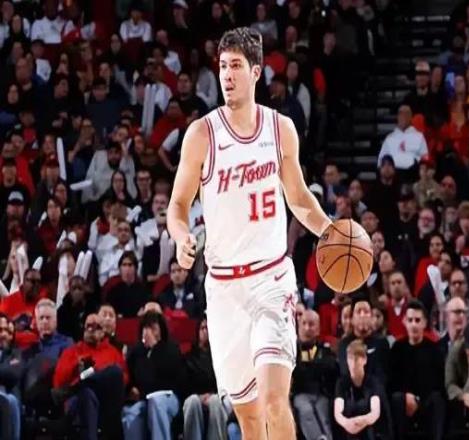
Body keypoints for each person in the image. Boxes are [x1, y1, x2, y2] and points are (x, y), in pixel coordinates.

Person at [167, 26, 334, 439]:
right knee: (249, 417)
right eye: (222, 66)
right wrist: (181, 237)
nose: (226, 75)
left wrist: (329, 231)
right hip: (224, 289)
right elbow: (177, 205)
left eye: (236, 66)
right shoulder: (202, 134)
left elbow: (298, 197)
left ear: (256, 72)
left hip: (270, 280)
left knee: (275, 400)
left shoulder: (280, 129)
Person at [122, 311, 185, 440]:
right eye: (146, 328)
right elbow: (136, 380)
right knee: (131, 412)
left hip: (168, 398)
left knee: (156, 401)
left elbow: (165, 381)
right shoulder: (136, 352)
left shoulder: (171, 349)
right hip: (145, 399)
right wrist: (132, 389)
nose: (148, 333)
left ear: (161, 331)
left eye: (153, 328)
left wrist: (154, 349)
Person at [390, 300, 446, 440]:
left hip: (426, 402)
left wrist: (419, 399)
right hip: (404, 402)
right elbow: (392, 382)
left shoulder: (434, 350)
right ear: (404, 321)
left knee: (437, 399)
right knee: (396, 398)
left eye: (417, 320)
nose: (414, 324)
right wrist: (407, 396)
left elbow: (439, 383)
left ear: (425, 323)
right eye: (410, 320)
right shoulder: (397, 348)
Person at [292, 310, 337, 440]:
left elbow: (330, 368)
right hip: (300, 394)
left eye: (311, 324)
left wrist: (308, 367)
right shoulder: (292, 350)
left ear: (318, 329)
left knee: (323, 413)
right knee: (306, 410)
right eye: (304, 324)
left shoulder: (325, 349)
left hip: (321, 394)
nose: (307, 328)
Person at [183, 317, 227, 440]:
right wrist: (200, 397)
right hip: (194, 396)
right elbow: (184, 384)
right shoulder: (188, 358)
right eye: (202, 328)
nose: (205, 331)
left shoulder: (219, 357)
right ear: (197, 332)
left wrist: (211, 394)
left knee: (215, 401)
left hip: (214, 395)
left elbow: (223, 382)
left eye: (208, 328)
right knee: (192, 401)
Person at [334, 339, 383, 440]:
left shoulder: (372, 382)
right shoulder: (342, 383)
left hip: (368, 429)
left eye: (357, 358)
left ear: (364, 360)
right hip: (347, 429)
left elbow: (375, 412)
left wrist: (360, 421)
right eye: (350, 358)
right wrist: (347, 423)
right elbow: (338, 413)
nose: (353, 363)